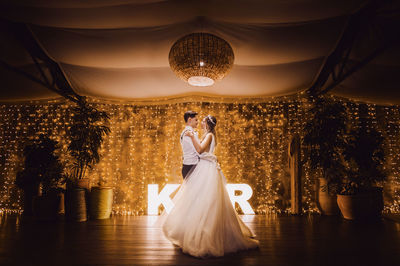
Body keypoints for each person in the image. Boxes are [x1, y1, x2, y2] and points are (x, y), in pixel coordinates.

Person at [162, 114, 259, 258]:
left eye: (202, 121)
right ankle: (197, 230)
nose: (200, 122)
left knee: (205, 201)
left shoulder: (209, 136)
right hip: (206, 167)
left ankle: (204, 236)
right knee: (201, 200)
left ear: (207, 124)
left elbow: (200, 150)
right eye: (198, 120)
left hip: (206, 169)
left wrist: (192, 136)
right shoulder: (209, 135)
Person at [180, 111, 199, 179]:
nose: (197, 122)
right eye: (196, 120)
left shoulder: (183, 132)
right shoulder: (190, 133)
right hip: (192, 166)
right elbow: (197, 150)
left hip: (187, 165)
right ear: (190, 120)